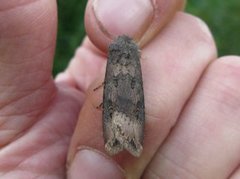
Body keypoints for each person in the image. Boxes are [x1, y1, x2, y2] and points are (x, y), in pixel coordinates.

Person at [0, 0, 240, 178]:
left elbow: (113, 82)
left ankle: (123, 140)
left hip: (116, 96)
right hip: (126, 94)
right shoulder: (132, 52)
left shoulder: (117, 50)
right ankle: (127, 140)